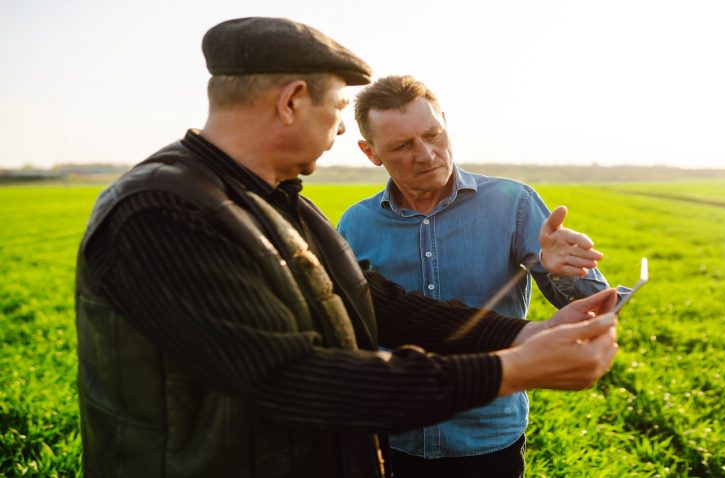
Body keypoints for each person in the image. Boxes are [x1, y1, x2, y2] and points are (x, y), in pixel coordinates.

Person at [74, 17, 620, 478]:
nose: (337, 129)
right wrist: (508, 370)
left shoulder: (275, 200)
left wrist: (528, 333)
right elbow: (287, 378)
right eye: (337, 107)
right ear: (292, 102)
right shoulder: (164, 211)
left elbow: (371, 301)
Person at [338, 75, 616, 477]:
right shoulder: (355, 223)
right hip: (393, 433)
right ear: (370, 152)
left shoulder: (514, 203)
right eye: (402, 145)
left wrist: (565, 272)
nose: (427, 153)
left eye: (433, 134)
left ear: (445, 124)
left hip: (486, 433)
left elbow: (596, 309)